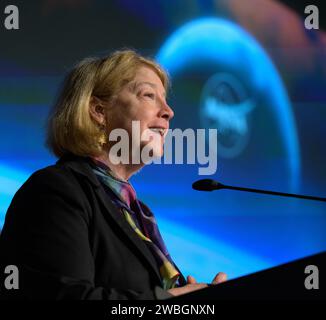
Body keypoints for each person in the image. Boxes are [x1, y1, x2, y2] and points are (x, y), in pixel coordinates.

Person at [0, 50, 226, 300]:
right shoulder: (55, 190)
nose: (169, 111)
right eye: (149, 95)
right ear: (98, 110)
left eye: (165, 99)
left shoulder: (138, 214)